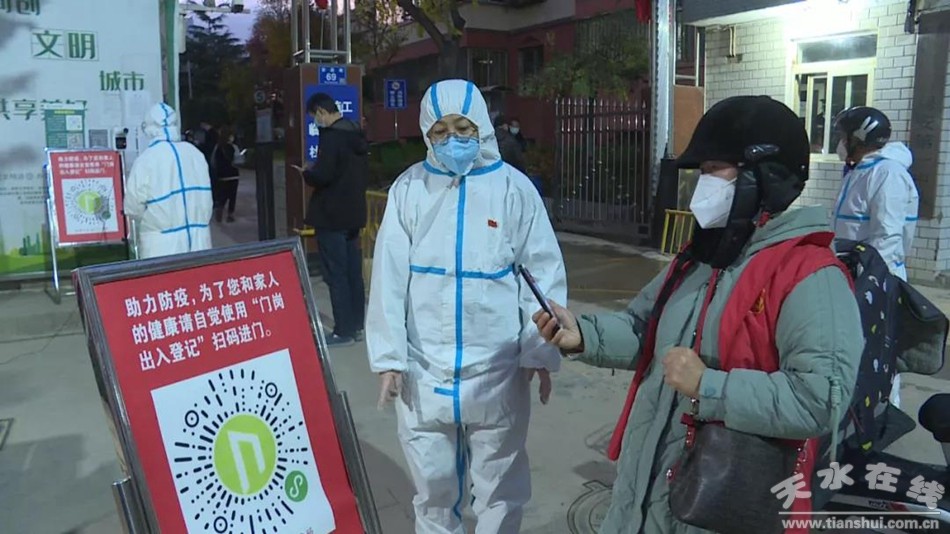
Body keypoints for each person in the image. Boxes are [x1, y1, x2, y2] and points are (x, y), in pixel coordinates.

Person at [533, 96, 863, 534]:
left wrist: (709, 386)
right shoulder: (703, 256)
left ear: (764, 176)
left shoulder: (810, 275)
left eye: (714, 170)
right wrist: (583, 335)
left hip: (720, 505)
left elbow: (820, 399)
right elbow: (645, 329)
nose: (702, 185)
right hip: (643, 495)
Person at [367, 79, 567, 534]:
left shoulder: (513, 190)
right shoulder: (409, 190)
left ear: (481, 127)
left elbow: (541, 276)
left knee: (500, 491)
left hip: (497, 370)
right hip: (425, 371)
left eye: (463, 128)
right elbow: (389, 278)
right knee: (432, 491)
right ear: (426, 133)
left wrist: (539, 352)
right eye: (440, 131)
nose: (452, 140)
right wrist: (390, 358)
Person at [832, 105, 919, 408]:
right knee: (856, 350)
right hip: (853, 274)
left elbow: (887, 236)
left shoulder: (888, 174)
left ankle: (885, 412)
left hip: (877, 278)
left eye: (843, 136)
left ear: (858, 138)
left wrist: (871, 281)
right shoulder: (861, 170)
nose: (839, 143)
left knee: (880, 352)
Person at [292, 92, 369, 346]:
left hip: (332, 216)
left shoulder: (332, 137)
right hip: (353, 215)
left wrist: (307, 173)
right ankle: (356, 325)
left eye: (315, 117)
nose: (316, 122)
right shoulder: (356, 135)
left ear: (322, 112)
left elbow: (324, 176)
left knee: (336, 275)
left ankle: (343, 331)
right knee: (353, 273)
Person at [124, 102, 213, 258]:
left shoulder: (146, 160)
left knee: (167, 275)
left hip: (161, 246)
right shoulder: (195, 154)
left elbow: (133, 207)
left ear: (149, 128)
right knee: (198, 273)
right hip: (200, 241)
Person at [211, 128, 241, 223]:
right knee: (232, 196)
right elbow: (238, 160)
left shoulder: (218, 147)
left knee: (222, 195)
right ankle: (230, 214)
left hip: (222, 176)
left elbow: (213, 162)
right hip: (233, 175)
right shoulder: (234, 147)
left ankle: (219, 209)